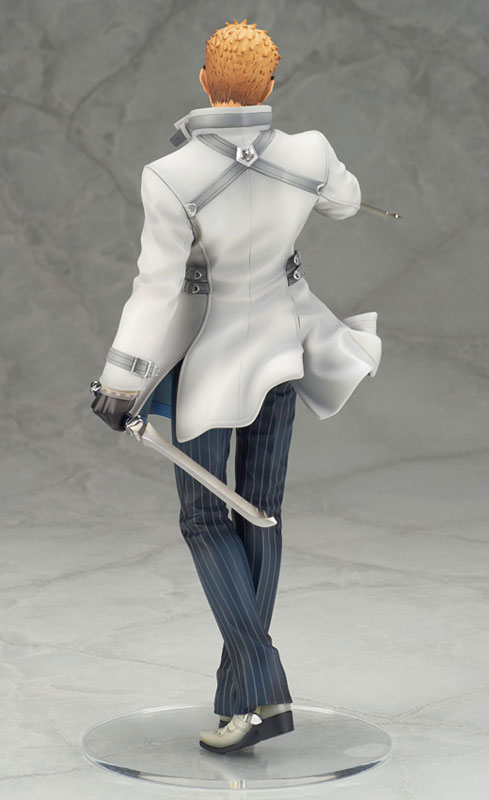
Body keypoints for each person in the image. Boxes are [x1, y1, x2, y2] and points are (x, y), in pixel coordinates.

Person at [91, 18, 382, 754]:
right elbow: (346, 202)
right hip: (281, 350)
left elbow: (156, 289)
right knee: (260, 515)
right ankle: (247, 699)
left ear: (203, 80)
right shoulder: (310, 152)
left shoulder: (171, 174)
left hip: (211, 367)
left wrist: (119, 381)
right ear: (270, 84)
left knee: (205, 519)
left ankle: (260, 685)